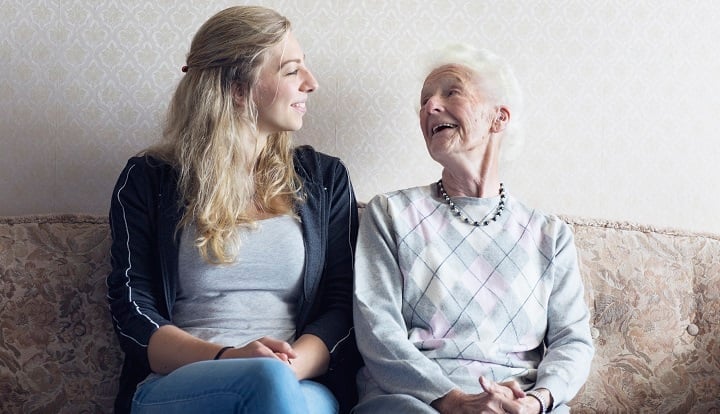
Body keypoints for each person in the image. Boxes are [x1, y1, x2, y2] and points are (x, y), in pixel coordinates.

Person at [106, 6, 360, 414]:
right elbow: (133, 311)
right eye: (292, 70)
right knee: (264, 382)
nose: (312, 84)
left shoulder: (325, 178)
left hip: (299, 384)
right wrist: (229, 358)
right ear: (238, 87)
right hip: (179, 384)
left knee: (276, 389)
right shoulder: (149, 178)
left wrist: (283, 367)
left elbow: (341, 305)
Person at [352, 44, 594, 414]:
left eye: (452, 91)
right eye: (424, 100)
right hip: (415, 402)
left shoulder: (550, 235)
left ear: (498, 118)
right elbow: (378, 332)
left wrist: (535, 402)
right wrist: (455, 401)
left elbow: (572, 342)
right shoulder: (391, 214)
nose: (430, 107)